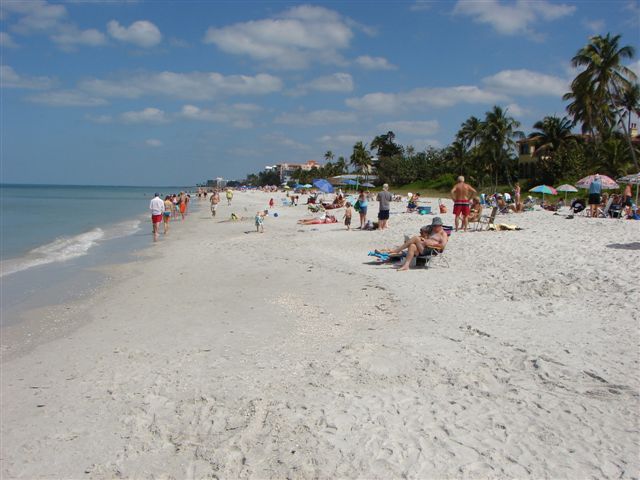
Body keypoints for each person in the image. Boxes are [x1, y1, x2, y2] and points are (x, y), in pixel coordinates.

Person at [376, 217, 448, 272]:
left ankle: (396, 250)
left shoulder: (443, 234)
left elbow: (442, 246)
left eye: (436, 226)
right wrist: (424, 239)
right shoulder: (432, 230)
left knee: (415, 238)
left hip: (432, 250)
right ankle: (406, 266)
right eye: (434, 226)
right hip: (424, 248)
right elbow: (424, 231)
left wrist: (432, 244)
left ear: (440, 225)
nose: (434, 227)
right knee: (412, 245)